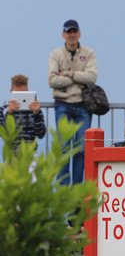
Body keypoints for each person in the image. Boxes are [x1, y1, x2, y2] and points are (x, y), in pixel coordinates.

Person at [48, 19, 97, 184]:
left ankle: (76, 189)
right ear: (63, 34)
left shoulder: (89, 53)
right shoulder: (55, 54)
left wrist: (69, 74)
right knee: (63, 148)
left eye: (74, 31)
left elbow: (92, 78)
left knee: (82, 148)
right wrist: (78, 77)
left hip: (83, 105)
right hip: (63, 104)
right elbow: (52, 80)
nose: (72, 35)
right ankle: (63, 189)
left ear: (79, 33)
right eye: (68, 32)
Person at [0, 74, 46, 152]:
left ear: (27, 90)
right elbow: (3, 135)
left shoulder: (34, 109)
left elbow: (41, 134)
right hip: (11, 153)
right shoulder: (3, 110)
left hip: (30, 152)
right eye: (17, 94)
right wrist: (9, 114)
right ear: (11, 90)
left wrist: (36, 114)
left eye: (23, 93)